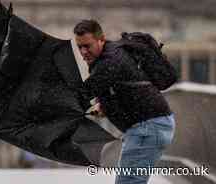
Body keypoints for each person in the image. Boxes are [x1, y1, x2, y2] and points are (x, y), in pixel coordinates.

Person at [74, 20, 176, 183]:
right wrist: (104, 106)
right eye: (79, 47)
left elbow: (80, 94)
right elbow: (125, 87)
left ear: (101, 39)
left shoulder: (109, 62)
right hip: (149, 126)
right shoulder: (111, 56)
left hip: (147, 128)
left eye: (87, 46)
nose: (83, 51)